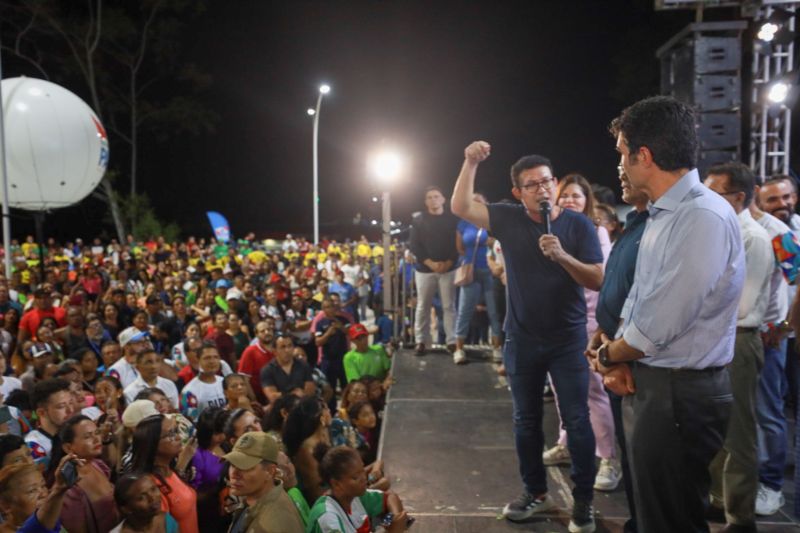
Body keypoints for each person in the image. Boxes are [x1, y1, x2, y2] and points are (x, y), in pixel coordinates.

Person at [587, 96, 744, 533]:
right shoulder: (664, 214)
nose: (619, 164)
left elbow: (656, 327)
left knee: (670, 520)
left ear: (645, 156)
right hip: (661, 387)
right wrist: (610, 344)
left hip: (678, 394)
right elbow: (641, 299)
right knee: (655, 514)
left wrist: (607, 355)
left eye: (622, 153)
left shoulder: (701, 216)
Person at [451, 141, 602, 532]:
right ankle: (535, 492)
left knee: (577, 420)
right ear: (518, 193)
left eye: (547, 181)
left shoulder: (579, 225)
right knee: (525, 421)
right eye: (532, 185)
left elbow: (598, 279)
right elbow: (461, 207)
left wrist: (563, 257)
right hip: (521, 338)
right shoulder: (508, 218)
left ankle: (583, 499)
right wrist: (470, 162)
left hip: (567, 340)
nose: (543, 189)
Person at [704, 162, 773, 531]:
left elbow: (743, 307)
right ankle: (720, 500)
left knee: (739, 434)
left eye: (713, 193)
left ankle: (741, 518)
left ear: (738, 197)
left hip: (739, 340)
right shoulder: (721, 231)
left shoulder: (754, 238)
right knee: (717, 429)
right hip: (717, 340)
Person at [543, 173, 620, 492]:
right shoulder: (549, 229)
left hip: (586, 321)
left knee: (592, 392)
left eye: (576, 195)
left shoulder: (595, 230)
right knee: (561, 388)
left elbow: (599, 277)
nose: (569, 200)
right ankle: (566, 442)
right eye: (564, 195)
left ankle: (609, 459)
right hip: (555, 321)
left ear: (588, 200)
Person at [588, 161, 650, 533]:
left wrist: (609, 353)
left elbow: (654, 311)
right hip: (618, 351)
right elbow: (621, 290)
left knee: (657, 476)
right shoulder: (637, 224)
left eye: (627, 159)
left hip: (643, 364)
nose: (620, 170)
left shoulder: (666, 226)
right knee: (636, 463)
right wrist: (602, 333)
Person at [749, 177, 793, 516]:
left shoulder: (777, 232)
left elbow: (799, 278)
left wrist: (784, 326)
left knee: (767, 413)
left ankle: (772, 484)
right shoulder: (731, 225)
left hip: (767, 337)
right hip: (735, 337)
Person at [307, 445, 408, 533]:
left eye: (363, 470)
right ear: (336, 484)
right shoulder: (328, 519)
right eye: (355, 477)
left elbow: (390, 497)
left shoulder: (353, 496)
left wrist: (395, 518)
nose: (364, 478)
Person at [452, 193, 504, 364]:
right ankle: (459, 349)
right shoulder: (462, 223)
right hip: (471, 271)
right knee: (464, 310)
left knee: (494, 312)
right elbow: (460, 248)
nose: (475, 204)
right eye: (473, 201)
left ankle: (497, 348)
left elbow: (497, 243)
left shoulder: (491, 222)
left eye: (479, 202)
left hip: (490, 271)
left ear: (485, 204)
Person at [409, 186, 459, 355]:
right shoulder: (418, 220)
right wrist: (430, 263)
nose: (433, 200)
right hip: (424, 270)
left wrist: (448, 262)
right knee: (423, 306)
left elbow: (457, 244)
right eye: (429, 197)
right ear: (425, 202)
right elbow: (414, 245)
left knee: (449, 306)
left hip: (448, 269)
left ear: (443, 199)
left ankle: (451, 341)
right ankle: (421, 341)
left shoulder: (453, 219)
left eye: (436, 196)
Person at [47, 414, 119, 533]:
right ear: (68, 448)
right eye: (87, 436)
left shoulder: (98, 465)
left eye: (97, 432)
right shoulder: (69, 487)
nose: (96, 439)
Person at [129, 414, 199, 533]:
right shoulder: (150, 486)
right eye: (171, 434)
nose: (178, 437)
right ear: (153, 444)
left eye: (176, 430)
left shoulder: (169, 470)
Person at [224, 431, 304, 533]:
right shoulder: (253, 501)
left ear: (270, 471)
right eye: (232, 464)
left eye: (244, 467)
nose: (234, 473)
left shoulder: (273, 525)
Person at [0, 454, 81, 533]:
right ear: (5, 505)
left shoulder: (53, 518)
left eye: (43, 486)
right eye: (32, 491)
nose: (43, 494)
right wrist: (58, 489)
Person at [25, 378, 76, 467]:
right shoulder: (34, 445)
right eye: (61, 406)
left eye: (71, 403)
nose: (70, 410)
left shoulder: (75, 431)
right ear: (41, 412)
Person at [111, 473, 179, 533]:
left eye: (153, 489)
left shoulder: (167, 520)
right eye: (141, 498)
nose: (152, 498)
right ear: (126, 509)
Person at [260, 335, 315, 404]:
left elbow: (310, 392)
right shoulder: (267, 370)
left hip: (303, 405)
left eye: (290, 346)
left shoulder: (303, 365)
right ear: (275, 351)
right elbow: (272, 397)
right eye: (283, 347)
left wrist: (282, 395)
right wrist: (293, 394)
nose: (287, 350)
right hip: (280, 407)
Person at [180, 342, 226, 420]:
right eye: (207, 358)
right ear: (198, 360)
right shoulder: (189, 391)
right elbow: (188, 421)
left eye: (216, 357)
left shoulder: (225, 382)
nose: (212, 361)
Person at [238, 321, 274, 404]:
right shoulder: (250, 351)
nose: (267, 332)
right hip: (260, 400)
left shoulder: (278, 349)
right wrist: (254, 400)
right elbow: (244, 379)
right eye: (262, 331)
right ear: (256, 335)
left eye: (269, 329)